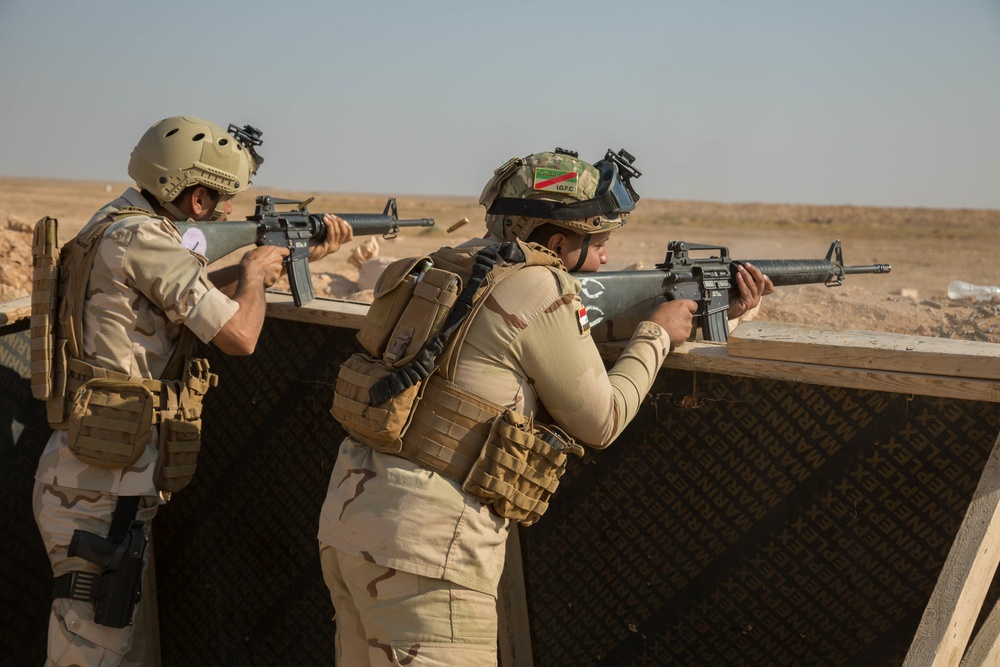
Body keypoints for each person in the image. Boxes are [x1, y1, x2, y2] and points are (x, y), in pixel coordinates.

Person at [317, 147, 771, 665]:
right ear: (558, 242)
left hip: (352, 523)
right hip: (427, 555)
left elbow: (549, 337)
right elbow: (602, 421)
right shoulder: (538, 284)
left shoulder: (452, 262)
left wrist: (714, 312)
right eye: (599, 244)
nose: (603, 259)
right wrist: (656, 335)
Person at [32, 115, 353, 667]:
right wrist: (252, 274)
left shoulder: (120, 222)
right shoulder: (144, 238)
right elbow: (238, 336)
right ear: (198, 200)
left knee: (102, 644)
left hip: (99, 470)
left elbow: (187, 300)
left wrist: (284, 262)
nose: (232, 213)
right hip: (102, 483)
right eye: (225, 200)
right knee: (89, 651)